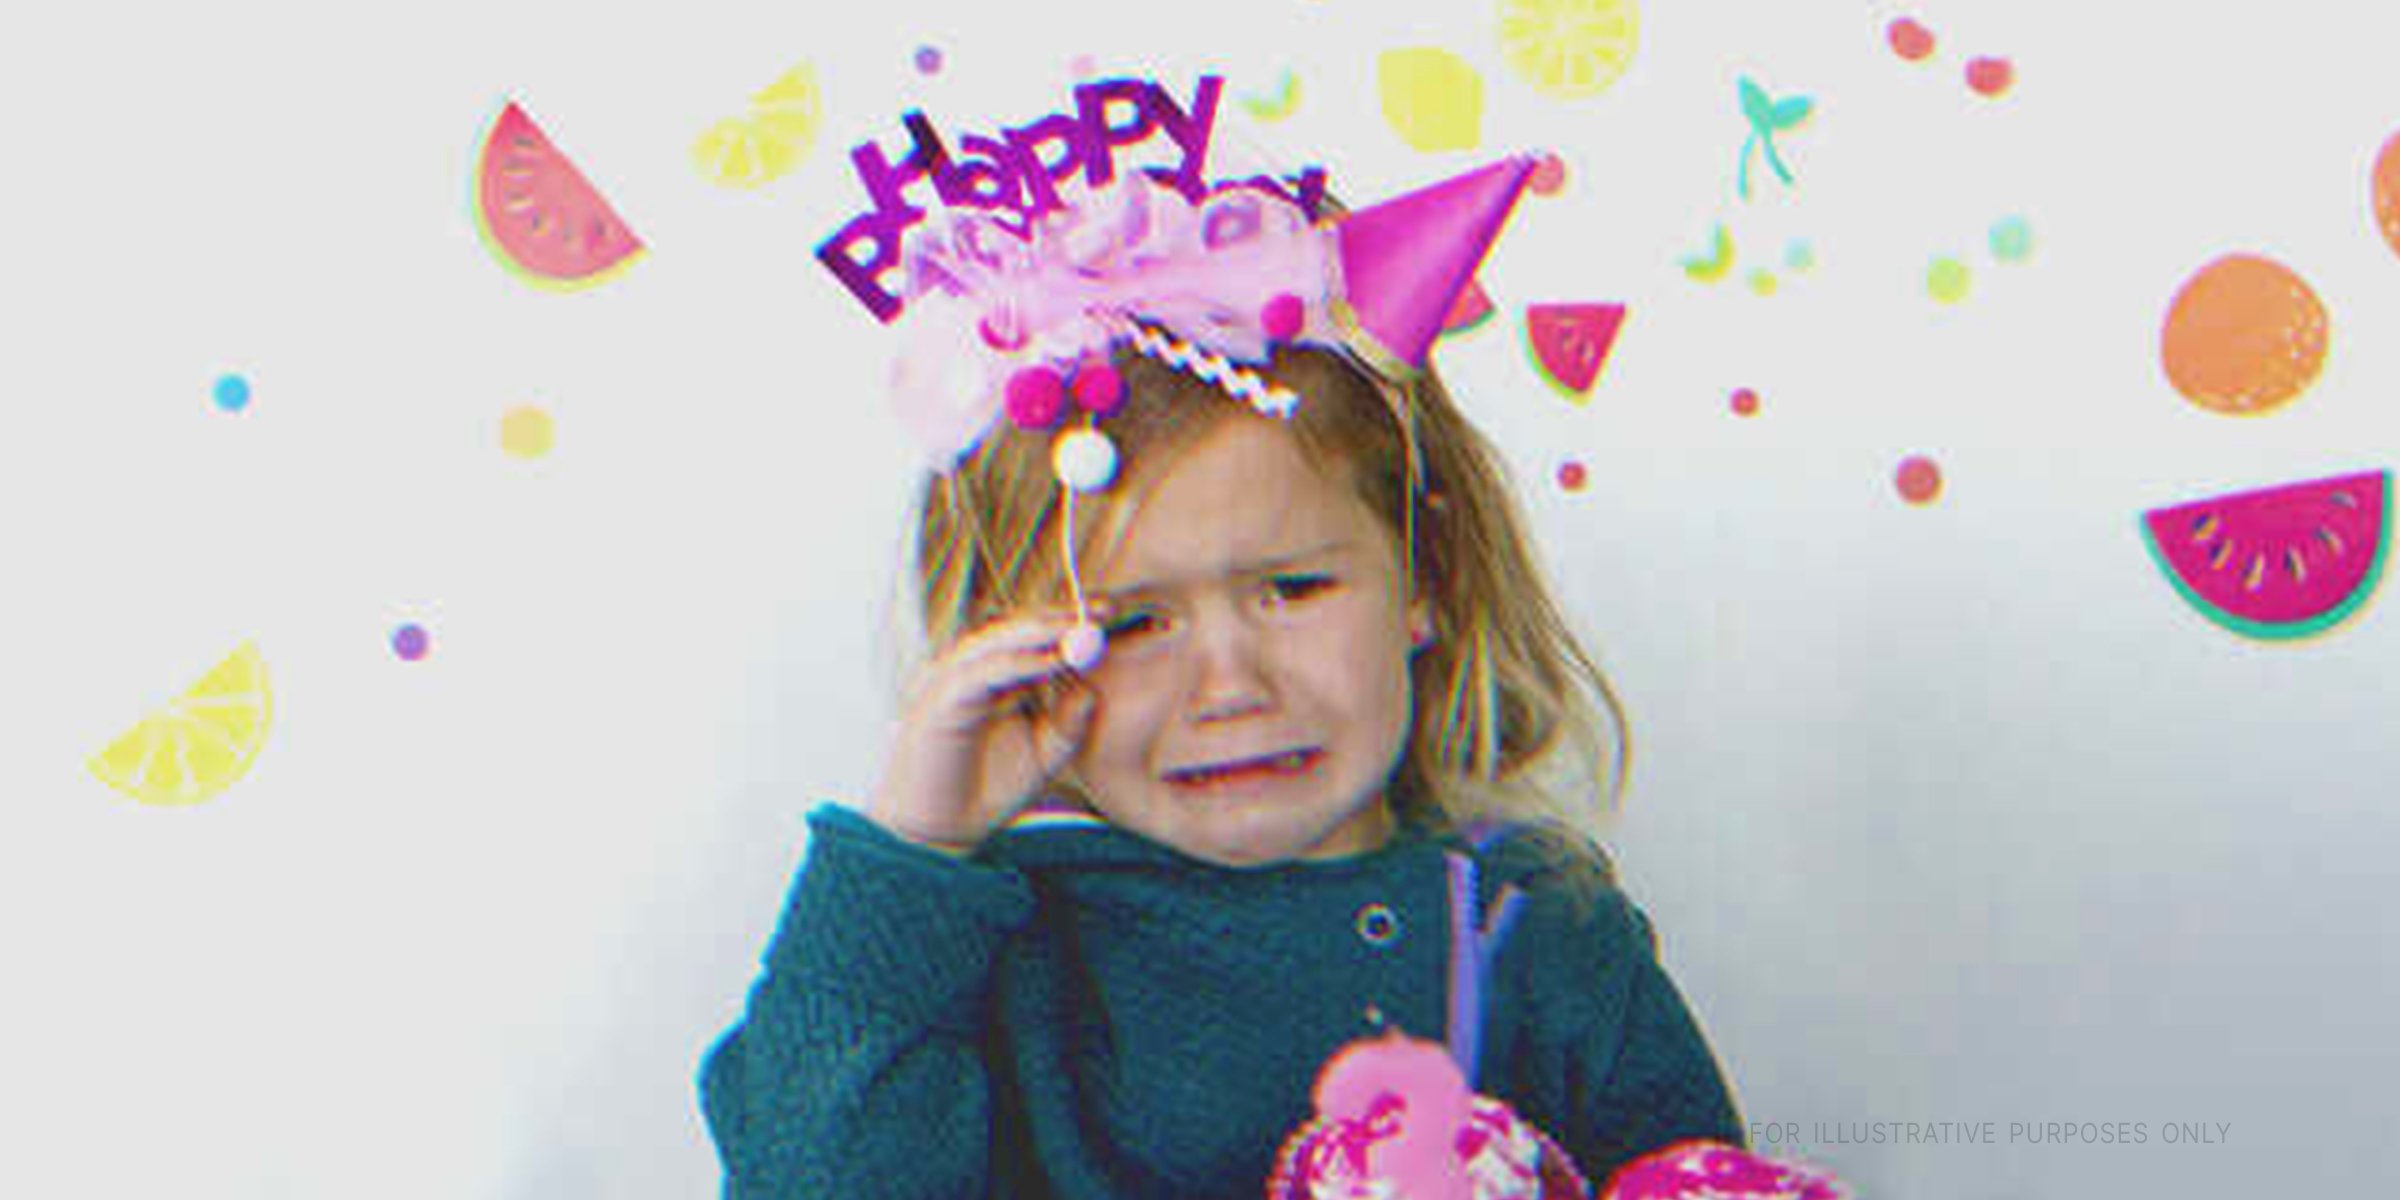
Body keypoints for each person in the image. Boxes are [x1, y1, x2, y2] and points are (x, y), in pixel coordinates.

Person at [700, 118, 1744, 1197]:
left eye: (1293, 591)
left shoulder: (1540, 931)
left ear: (1423, 578)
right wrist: (908, 858)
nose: (1233, 687)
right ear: (1014, 652)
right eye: (1137, 623)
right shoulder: (993, 951)